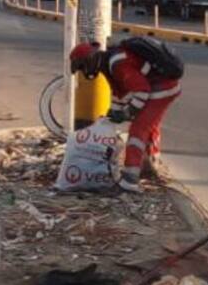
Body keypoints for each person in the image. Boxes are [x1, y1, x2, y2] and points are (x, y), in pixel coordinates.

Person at [68, 38, 183, 193]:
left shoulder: (117, 63)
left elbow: (142, 91)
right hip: (161, 85)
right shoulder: (109, 64)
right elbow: (119, 93)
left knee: (138, 130)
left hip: (162, 88)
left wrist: (127, 113)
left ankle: (130, 180)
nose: (83, 71)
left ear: (89, 60)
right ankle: (148, 166)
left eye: (82, 66)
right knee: (149, 124)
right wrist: (110, 116)